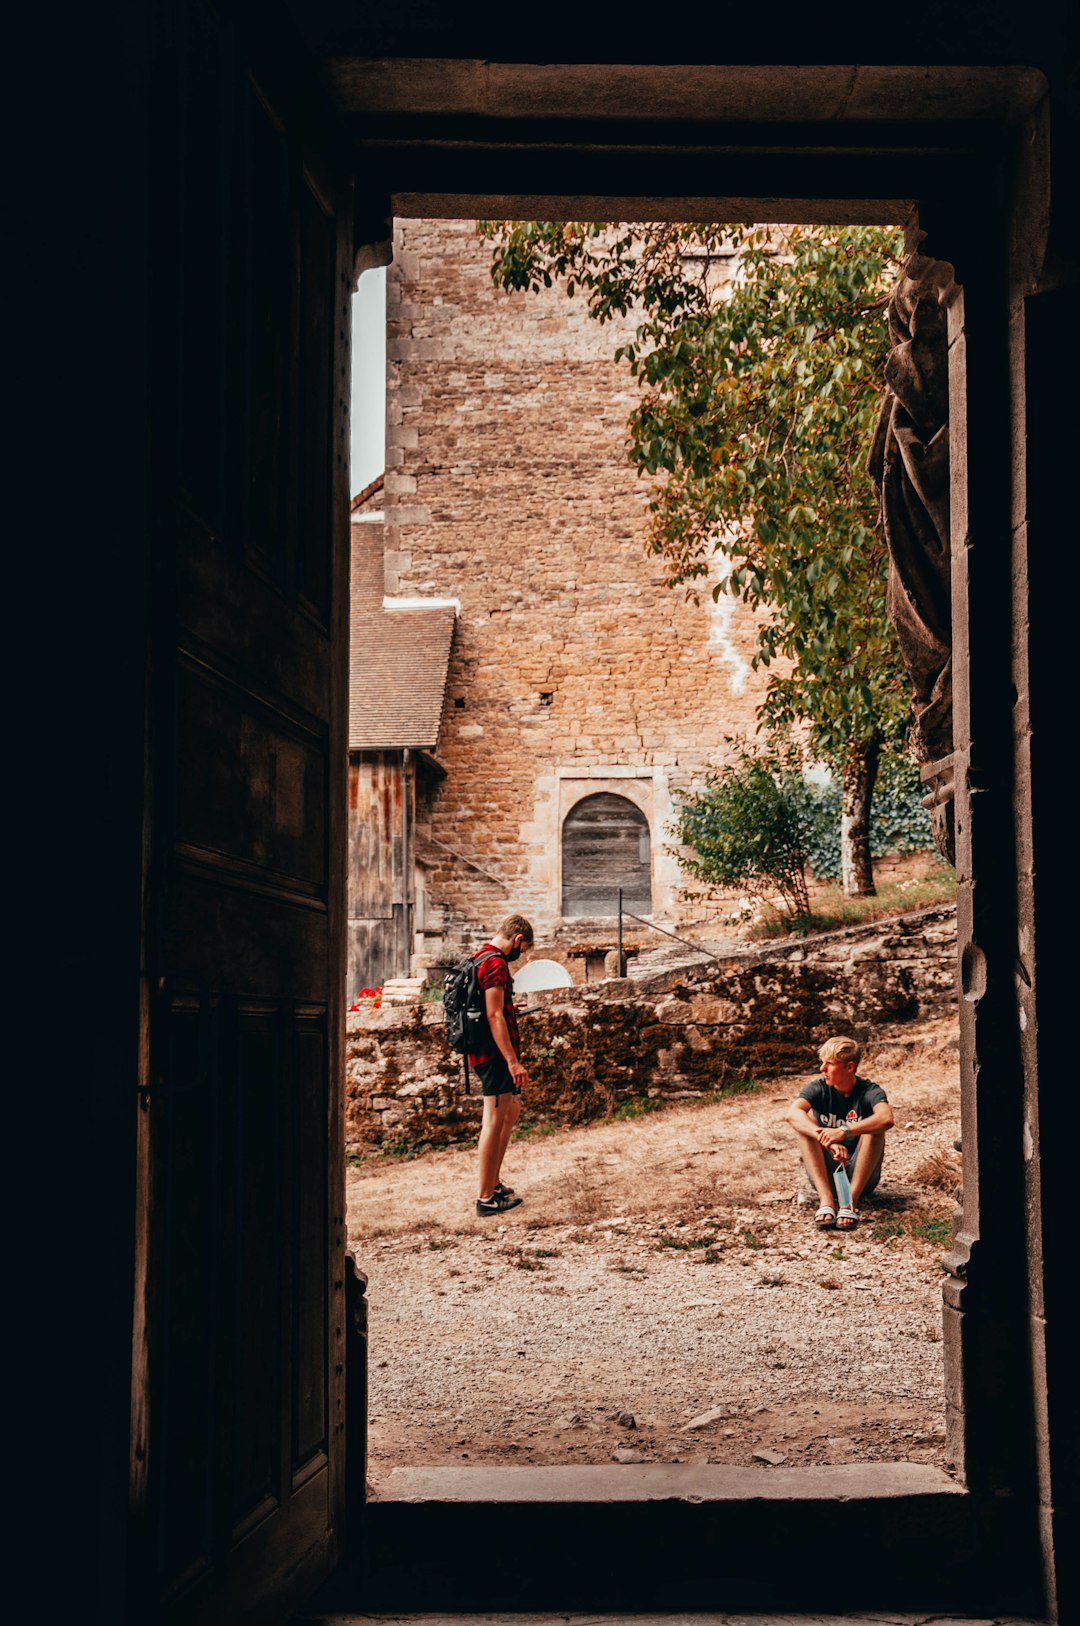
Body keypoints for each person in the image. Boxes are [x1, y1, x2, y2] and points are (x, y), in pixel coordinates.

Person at [786, 1035, 894, 1231]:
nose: (822, 1069)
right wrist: (827, 1139)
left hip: (861, 1178)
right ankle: (826, 1200)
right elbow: (792, 1114)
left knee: (874, 1127)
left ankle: (849, 1202)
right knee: (805, 1125)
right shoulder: (818, 1087)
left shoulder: (869, 1090)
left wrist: (842, 1131)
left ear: (849, 1067)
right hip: (826, 1174)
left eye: (829, 1064)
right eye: (822, 1063)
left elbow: (886, 1119)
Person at [469, 913, 534, 1216]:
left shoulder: (480, 956)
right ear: (518, 940)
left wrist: (510, 1006)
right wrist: (513, 1062)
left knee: (510, 1111)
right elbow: (494, 1016)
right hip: (494, 1056)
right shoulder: (495, 963)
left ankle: (493, 1182)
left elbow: (491, 1008)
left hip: (487, 1051)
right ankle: (486, 1198)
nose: (521, 954)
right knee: (493, 1122)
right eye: (524, 948)